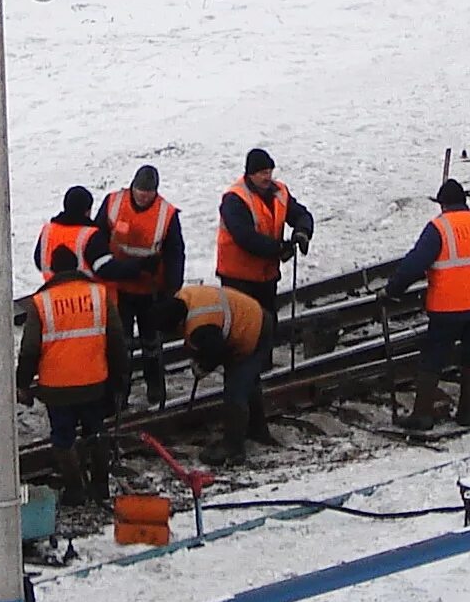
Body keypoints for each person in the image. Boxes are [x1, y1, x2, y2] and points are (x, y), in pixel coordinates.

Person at [382, 179, 470, 432]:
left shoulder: (439, 227)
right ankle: (467, 413)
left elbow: (415, 263)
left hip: (448, 308)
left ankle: (422, 415)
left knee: (433, 359)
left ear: (443, 204)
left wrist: (392, 290)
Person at [16, 250, 129, 505]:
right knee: (96, 431)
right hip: (94, 383)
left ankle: (75, 489)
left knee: (63, 437)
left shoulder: (41, 302)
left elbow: (30, 349)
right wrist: (121, 377)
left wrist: (22, 383)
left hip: (56, 388)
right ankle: (100, 485)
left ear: (53, 271)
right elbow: (117, 341)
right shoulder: (99, 295)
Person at [216, 148, 312, 448]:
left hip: (265, 278)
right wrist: (277, 248)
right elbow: (244, 237)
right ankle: (246, 378)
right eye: (261, 172)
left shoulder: (280, 192)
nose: (267, 176)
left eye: (269, 171)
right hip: (238, 280)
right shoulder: (235, 199)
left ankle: (257, 370)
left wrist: (303, 233)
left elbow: (301, 214)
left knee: (264, 331)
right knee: (243, 338)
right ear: (250, 173)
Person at [94, 166, 185, 408]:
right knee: (119, 346)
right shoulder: (114, 203)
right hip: (118, 289)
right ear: (132, 187)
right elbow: (97, 238)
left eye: (148, 192)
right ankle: (118, 395)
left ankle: (155, 390)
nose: (143, 195)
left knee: (152, 344)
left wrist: (171, 289)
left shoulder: (166, 214)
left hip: (150, 291)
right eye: (139, 190)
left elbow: (176, 253)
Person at [171, 282, 268, 460]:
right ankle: (258, 430)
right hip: (248, 314)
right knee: (248, 383)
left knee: (235, 390)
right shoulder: (184, 298)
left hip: (254, 328)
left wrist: (203, 366)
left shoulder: (200, 325)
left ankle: (234, 448)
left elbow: (218, 351)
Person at [33, 187, 108, 278]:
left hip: (52, 289)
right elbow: (105, 268)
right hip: (85, 291)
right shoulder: (91, 235)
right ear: (87, 211)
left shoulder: (47, 230)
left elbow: (39, 262)